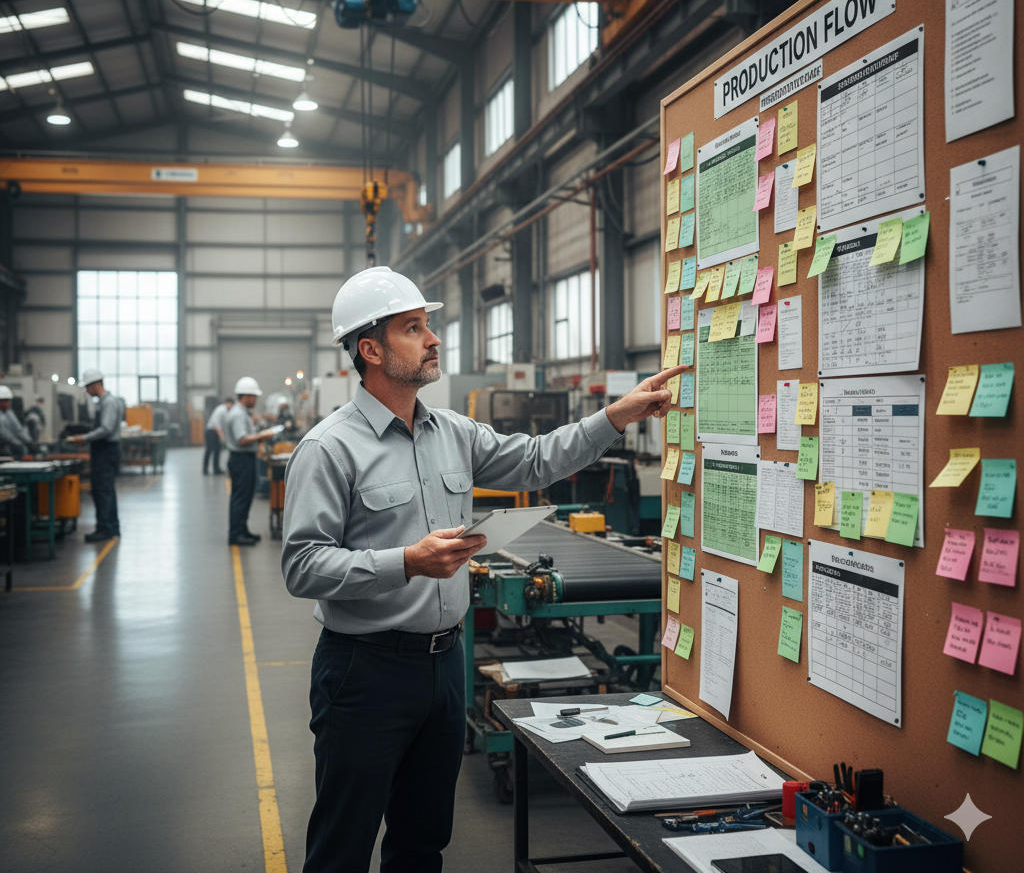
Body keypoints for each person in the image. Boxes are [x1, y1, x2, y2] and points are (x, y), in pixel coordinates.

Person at [281, 265, 683, 873]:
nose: (433, 338)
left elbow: (537, 461)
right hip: (363, 675)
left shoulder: (453, 434)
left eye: (428, 325)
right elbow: (303, 565)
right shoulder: (328, 448)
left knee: (423, 841)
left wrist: (616, 416)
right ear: (370, 349)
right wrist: (407, 561)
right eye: (413, 328)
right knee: (343, 841)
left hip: (444, 667)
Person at [69, 370, 125, 543]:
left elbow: (106, 429)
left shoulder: (108, 403)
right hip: (105, 450)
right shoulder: (105, 402)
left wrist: (83, 438)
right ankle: (112, 527)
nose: (86, 390)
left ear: (95, 384)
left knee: (102, 491)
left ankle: (105, 529)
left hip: (105, 450)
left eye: (87, 386)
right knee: (106, 490)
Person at [224, 376, 277, 547]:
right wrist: (263, 436)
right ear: (246, 396)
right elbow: (242, 440)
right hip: (241, 460)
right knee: (240, 498)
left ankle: (242, 530)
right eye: (254, 396)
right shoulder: (238, 415)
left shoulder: (243, 413)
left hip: (244, 459)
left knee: (245, 497)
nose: (255, 400)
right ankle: (236, 535)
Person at [203, 396, 233, 475]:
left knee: (217, 451)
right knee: (209, 450)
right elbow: (217, 424)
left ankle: (216, 469)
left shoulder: (226, 411)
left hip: (216, 432)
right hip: (211, 431)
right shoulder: (221, 409)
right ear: (228, 403)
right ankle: (205, 470)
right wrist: (221, 436)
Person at [0, 385, 33, 457]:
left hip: (9, 447)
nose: (9, 403)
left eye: (9, 400)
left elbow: (18, 429)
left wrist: (29, 441)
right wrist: (18, 444)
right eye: (6, 400)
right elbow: (3, 435)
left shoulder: (8, 413)